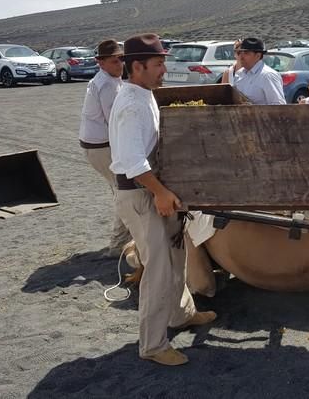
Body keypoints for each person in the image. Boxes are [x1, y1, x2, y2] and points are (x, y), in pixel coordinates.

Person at [109, 33, 216, 366]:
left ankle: (180, 314)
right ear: (136, 66)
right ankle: (153, 345)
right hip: (141, 195)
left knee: (176, 257)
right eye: (157, 64)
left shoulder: (145, 94)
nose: (164, 69)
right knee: (156, 270)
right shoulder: (130, 104)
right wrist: (160, 192)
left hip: (154, 191)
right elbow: (133, 161)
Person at [78, 39, 130, 257]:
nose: (120, 64)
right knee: (124, 192)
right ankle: (119, 244)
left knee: (121, 190)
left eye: (121, 59)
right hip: (101, 146)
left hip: (99, 144)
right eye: (114, 60)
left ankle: (124, 238)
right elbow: (116, 121)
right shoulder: (107, 85)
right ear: (101, 63)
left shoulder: (110, 80)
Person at [232, 37, 286, 104]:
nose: (241, 57)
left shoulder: (268, 75)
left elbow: (278, 107)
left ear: (258, 55)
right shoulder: (239, 74)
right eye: (239, 52)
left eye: (246, 53)